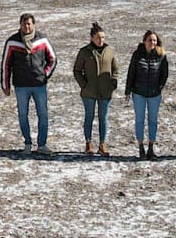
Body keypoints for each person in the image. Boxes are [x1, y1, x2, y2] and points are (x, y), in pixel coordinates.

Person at [0, 13, 57, 156]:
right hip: (21, 85)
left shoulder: (42, 39)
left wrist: (45, 74)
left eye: (29, 24)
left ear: (34, 25)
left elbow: (53, 59)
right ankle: (27, 143)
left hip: (39, 85)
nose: (27, 26)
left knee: (43, 114)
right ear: (20, 25)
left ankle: (42, 144)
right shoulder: (12, 42)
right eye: (24, 24)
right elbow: (6, 64)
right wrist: (5, 85)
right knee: (23, 115)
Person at [123, 30, 170, 160]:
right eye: (149, 40)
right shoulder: (137, 55)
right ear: (144, 41)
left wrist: (159, 87)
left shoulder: (161, 55)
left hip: (154, 94)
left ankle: (151, 147)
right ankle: (140, 147)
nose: (152, 43)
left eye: (154, 40)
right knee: (139, 120)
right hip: (139, 93)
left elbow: (164, 74)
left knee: (153, 121)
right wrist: (128, 90)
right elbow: (131, 73)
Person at [72, 22, 118, 155]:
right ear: (92, 38)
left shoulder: (109, 51)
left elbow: (115, 69)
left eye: (103, 37)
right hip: (89, 92)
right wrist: (84, 85)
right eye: (98, 37)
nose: (101, 40)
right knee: (89, 117)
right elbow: (77, 70)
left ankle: (102, 144)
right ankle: (88, 143)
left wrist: (113, 83)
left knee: (103, 117)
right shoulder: (84, 52)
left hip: (105, 91)